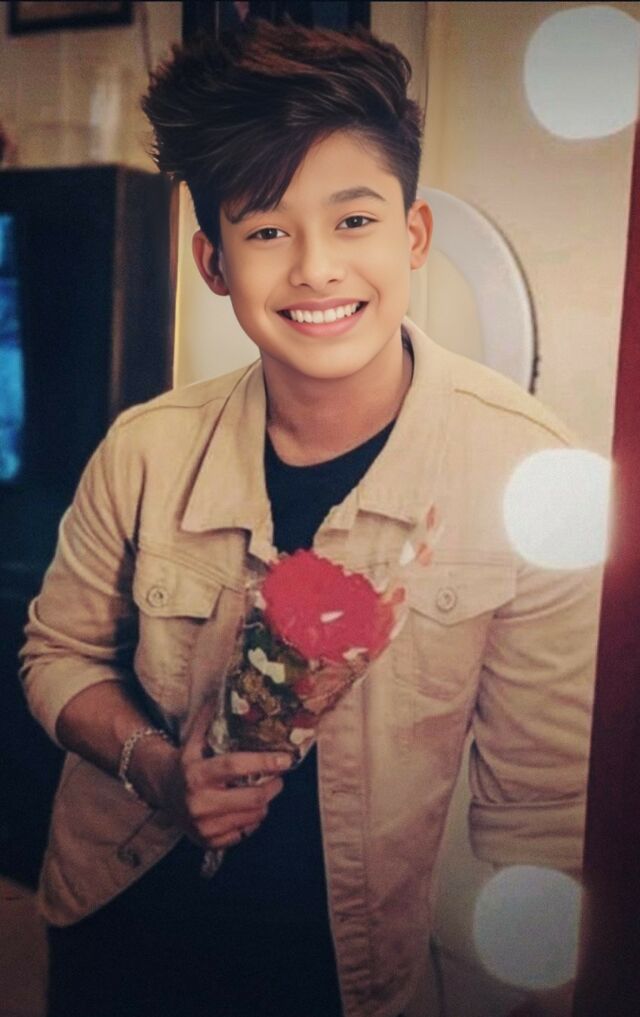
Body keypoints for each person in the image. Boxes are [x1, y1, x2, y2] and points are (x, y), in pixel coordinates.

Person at [19, 15, 602, 1017]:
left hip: (340, 976)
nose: (317, 268)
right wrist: (156, 767)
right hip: (116, 926)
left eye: (355, 220)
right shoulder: (146, 449)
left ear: (413, 236)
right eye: (266, 231)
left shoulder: (529, 477)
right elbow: (54, 655)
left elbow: (541, 812)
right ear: (213, 263)